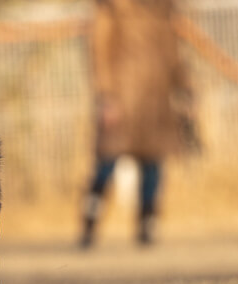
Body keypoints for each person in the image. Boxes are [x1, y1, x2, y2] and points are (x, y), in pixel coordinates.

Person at [81, 0, 196, 248]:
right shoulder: (111, 8)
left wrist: (186, 90)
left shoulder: (164, 9)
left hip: (155, 98)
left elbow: (174, 53)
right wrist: (107, 96)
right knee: (106, 164)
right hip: (123, 98)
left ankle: (147, 224)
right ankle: (90, 221)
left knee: (153, 163)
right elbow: (99, 52)